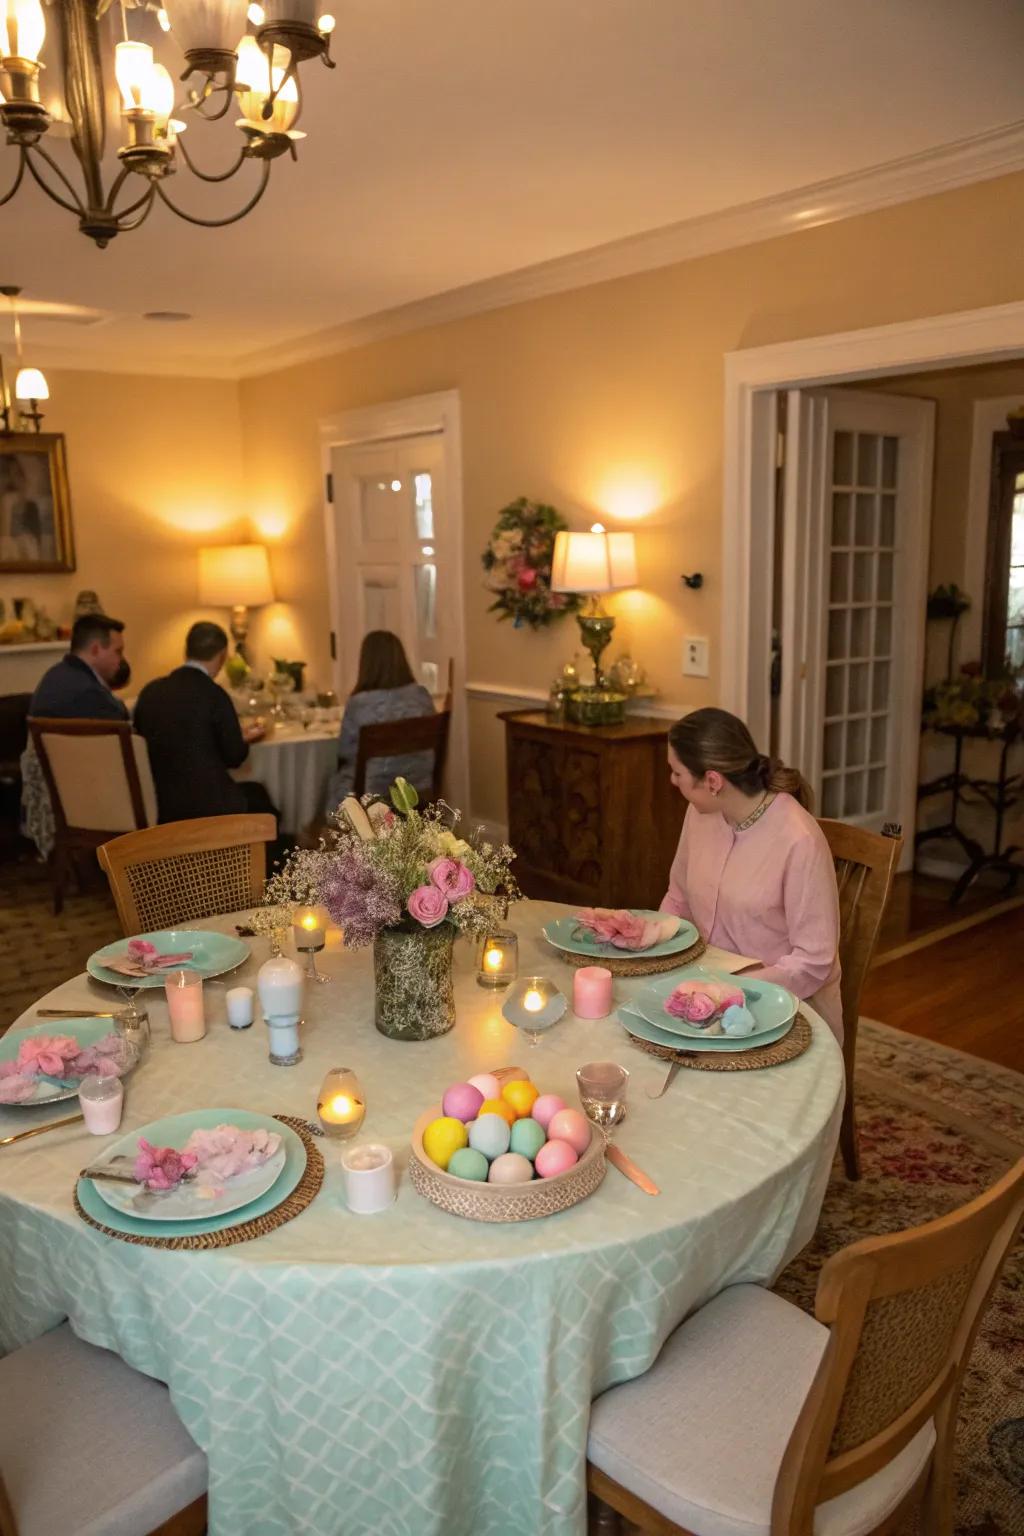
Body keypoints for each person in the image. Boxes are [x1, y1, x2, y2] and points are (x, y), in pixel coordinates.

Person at [661, 707, 843, 1041]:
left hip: (785, 1007)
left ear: (713, 781)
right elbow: (678, 899)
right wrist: (655, 958)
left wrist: (731, 988)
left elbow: (814, 961)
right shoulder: (700, 812)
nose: (672, 781)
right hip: (704, 995)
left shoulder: (799, 840)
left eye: (677, 773)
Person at [133, 621, 277, 826]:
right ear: (222, 656)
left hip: (161, 806)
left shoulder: (150, 692)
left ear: (186, 651)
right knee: (264, 805)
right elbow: (234, 756)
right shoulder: (214, 695)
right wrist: (241, 738)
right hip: (209, 807)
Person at [326, 631, 435, 808]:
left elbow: (345, 752)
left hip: (374, 790)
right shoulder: (421, 695)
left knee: (333, 779)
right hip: (418, 785)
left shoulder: (360, 703)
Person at [29, 613, 130, 721]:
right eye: (118, 652)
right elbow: (120, 719)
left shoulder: (53, 674)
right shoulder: (89, 692)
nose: (121, 659)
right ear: (95, 650)